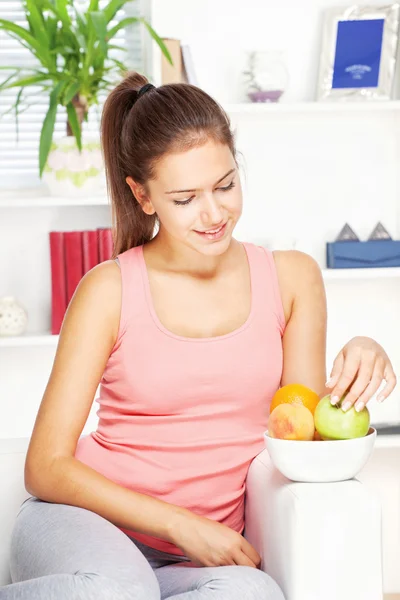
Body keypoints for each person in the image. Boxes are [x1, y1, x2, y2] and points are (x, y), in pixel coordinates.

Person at [3, 72, 396, 600]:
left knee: (253, 594)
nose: (214, 214)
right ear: (142, 196)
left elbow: (302, 428)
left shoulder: (292, 278)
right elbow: (45, 466)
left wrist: (362, 354)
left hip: (195, 558)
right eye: (185, 198)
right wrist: (177, 523)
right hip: (82, 524)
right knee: (117, 590)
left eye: (226, 185)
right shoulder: (109, 289)